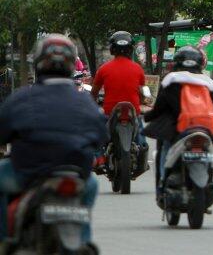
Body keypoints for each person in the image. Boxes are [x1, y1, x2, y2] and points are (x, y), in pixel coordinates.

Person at [0, 34, 107, 244]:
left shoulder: (22, 97)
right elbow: (101, 136)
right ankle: (83, 242)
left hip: (28, 172)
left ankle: (4, 240)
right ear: (70, 66)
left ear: (38, 64)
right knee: (92, 184)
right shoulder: (85, 101)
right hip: (76, 174)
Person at [143, 46, 213, 195]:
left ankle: (163, 181)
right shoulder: (208, 83)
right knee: (208, 152)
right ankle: (209, 179)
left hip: (179, 129)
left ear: (177, 63)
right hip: (205, 129)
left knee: (165, 150)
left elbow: (159, 107)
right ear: (200, 63)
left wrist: (148, 117)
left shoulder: (171, 80)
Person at [91, 31, 149, 171]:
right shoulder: (138, 69)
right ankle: (142, 159)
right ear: (131, 49)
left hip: (110, 112)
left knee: (97, 132)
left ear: (112, 49)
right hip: (133, 111)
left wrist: (92, 104)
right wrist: (142, 101)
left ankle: (99, 159)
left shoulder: (103, 69)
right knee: (141, 134)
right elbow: (142, 92)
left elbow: (94, 92)